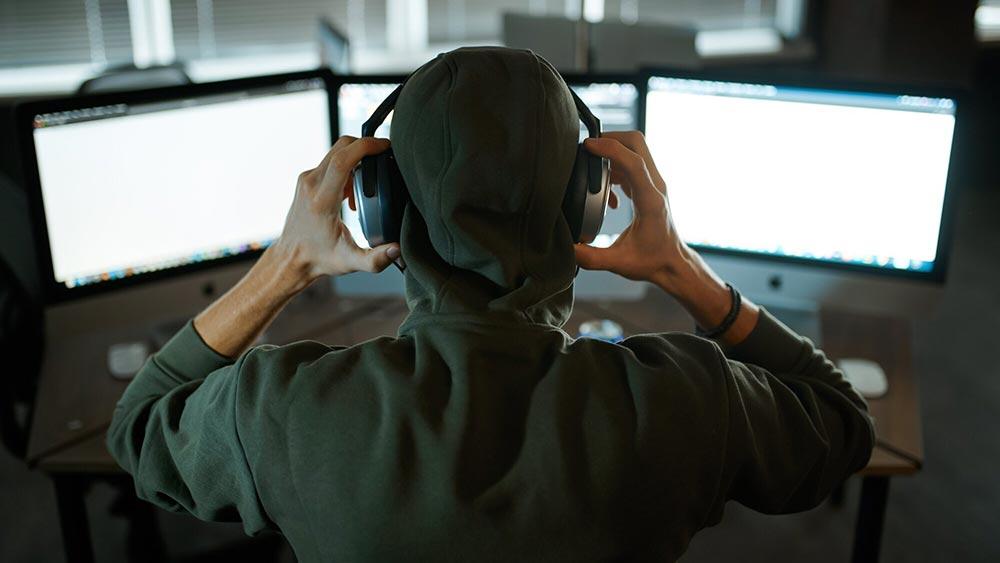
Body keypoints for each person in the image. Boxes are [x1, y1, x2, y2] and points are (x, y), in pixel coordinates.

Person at [107, 48, 874, 562]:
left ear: (384, 207)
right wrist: (680, 268)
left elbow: (138, 428)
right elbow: (844, 426)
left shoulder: (287, 409)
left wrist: (283, 266)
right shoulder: (687, 400)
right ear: (585, 206)